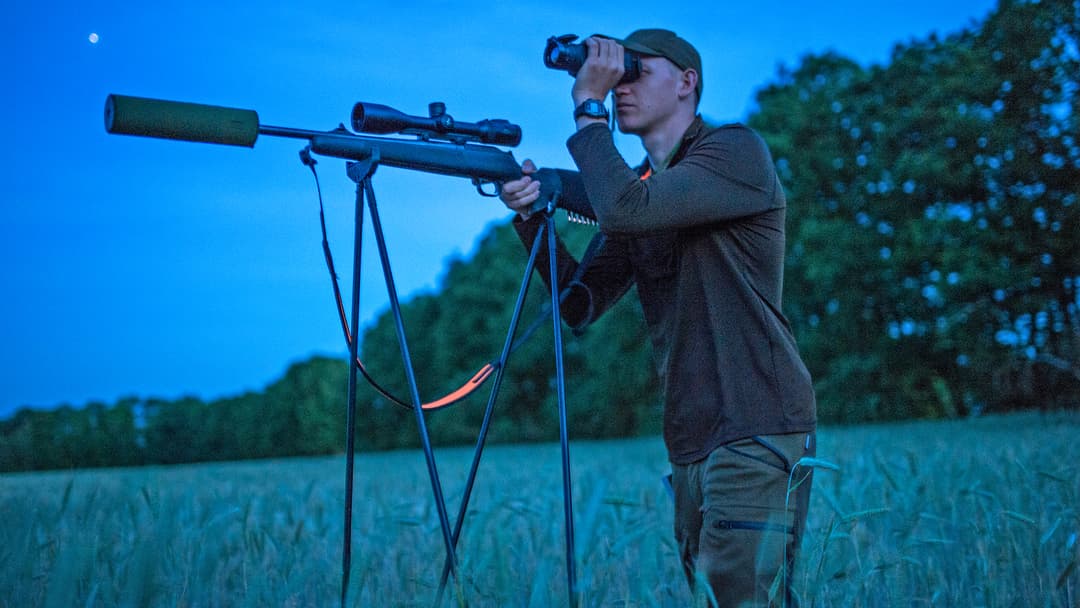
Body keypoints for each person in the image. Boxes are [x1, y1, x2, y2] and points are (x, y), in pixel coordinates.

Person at [499, 29, 818, 607]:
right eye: (615, 75)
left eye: (636, 71)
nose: (620, 85)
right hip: (691, 441)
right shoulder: (644, 197)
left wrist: (588, 109)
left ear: (687, 83)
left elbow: (624, 206)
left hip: (756, 422)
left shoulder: (735, 152)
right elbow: (579, 303)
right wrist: (532, 218)